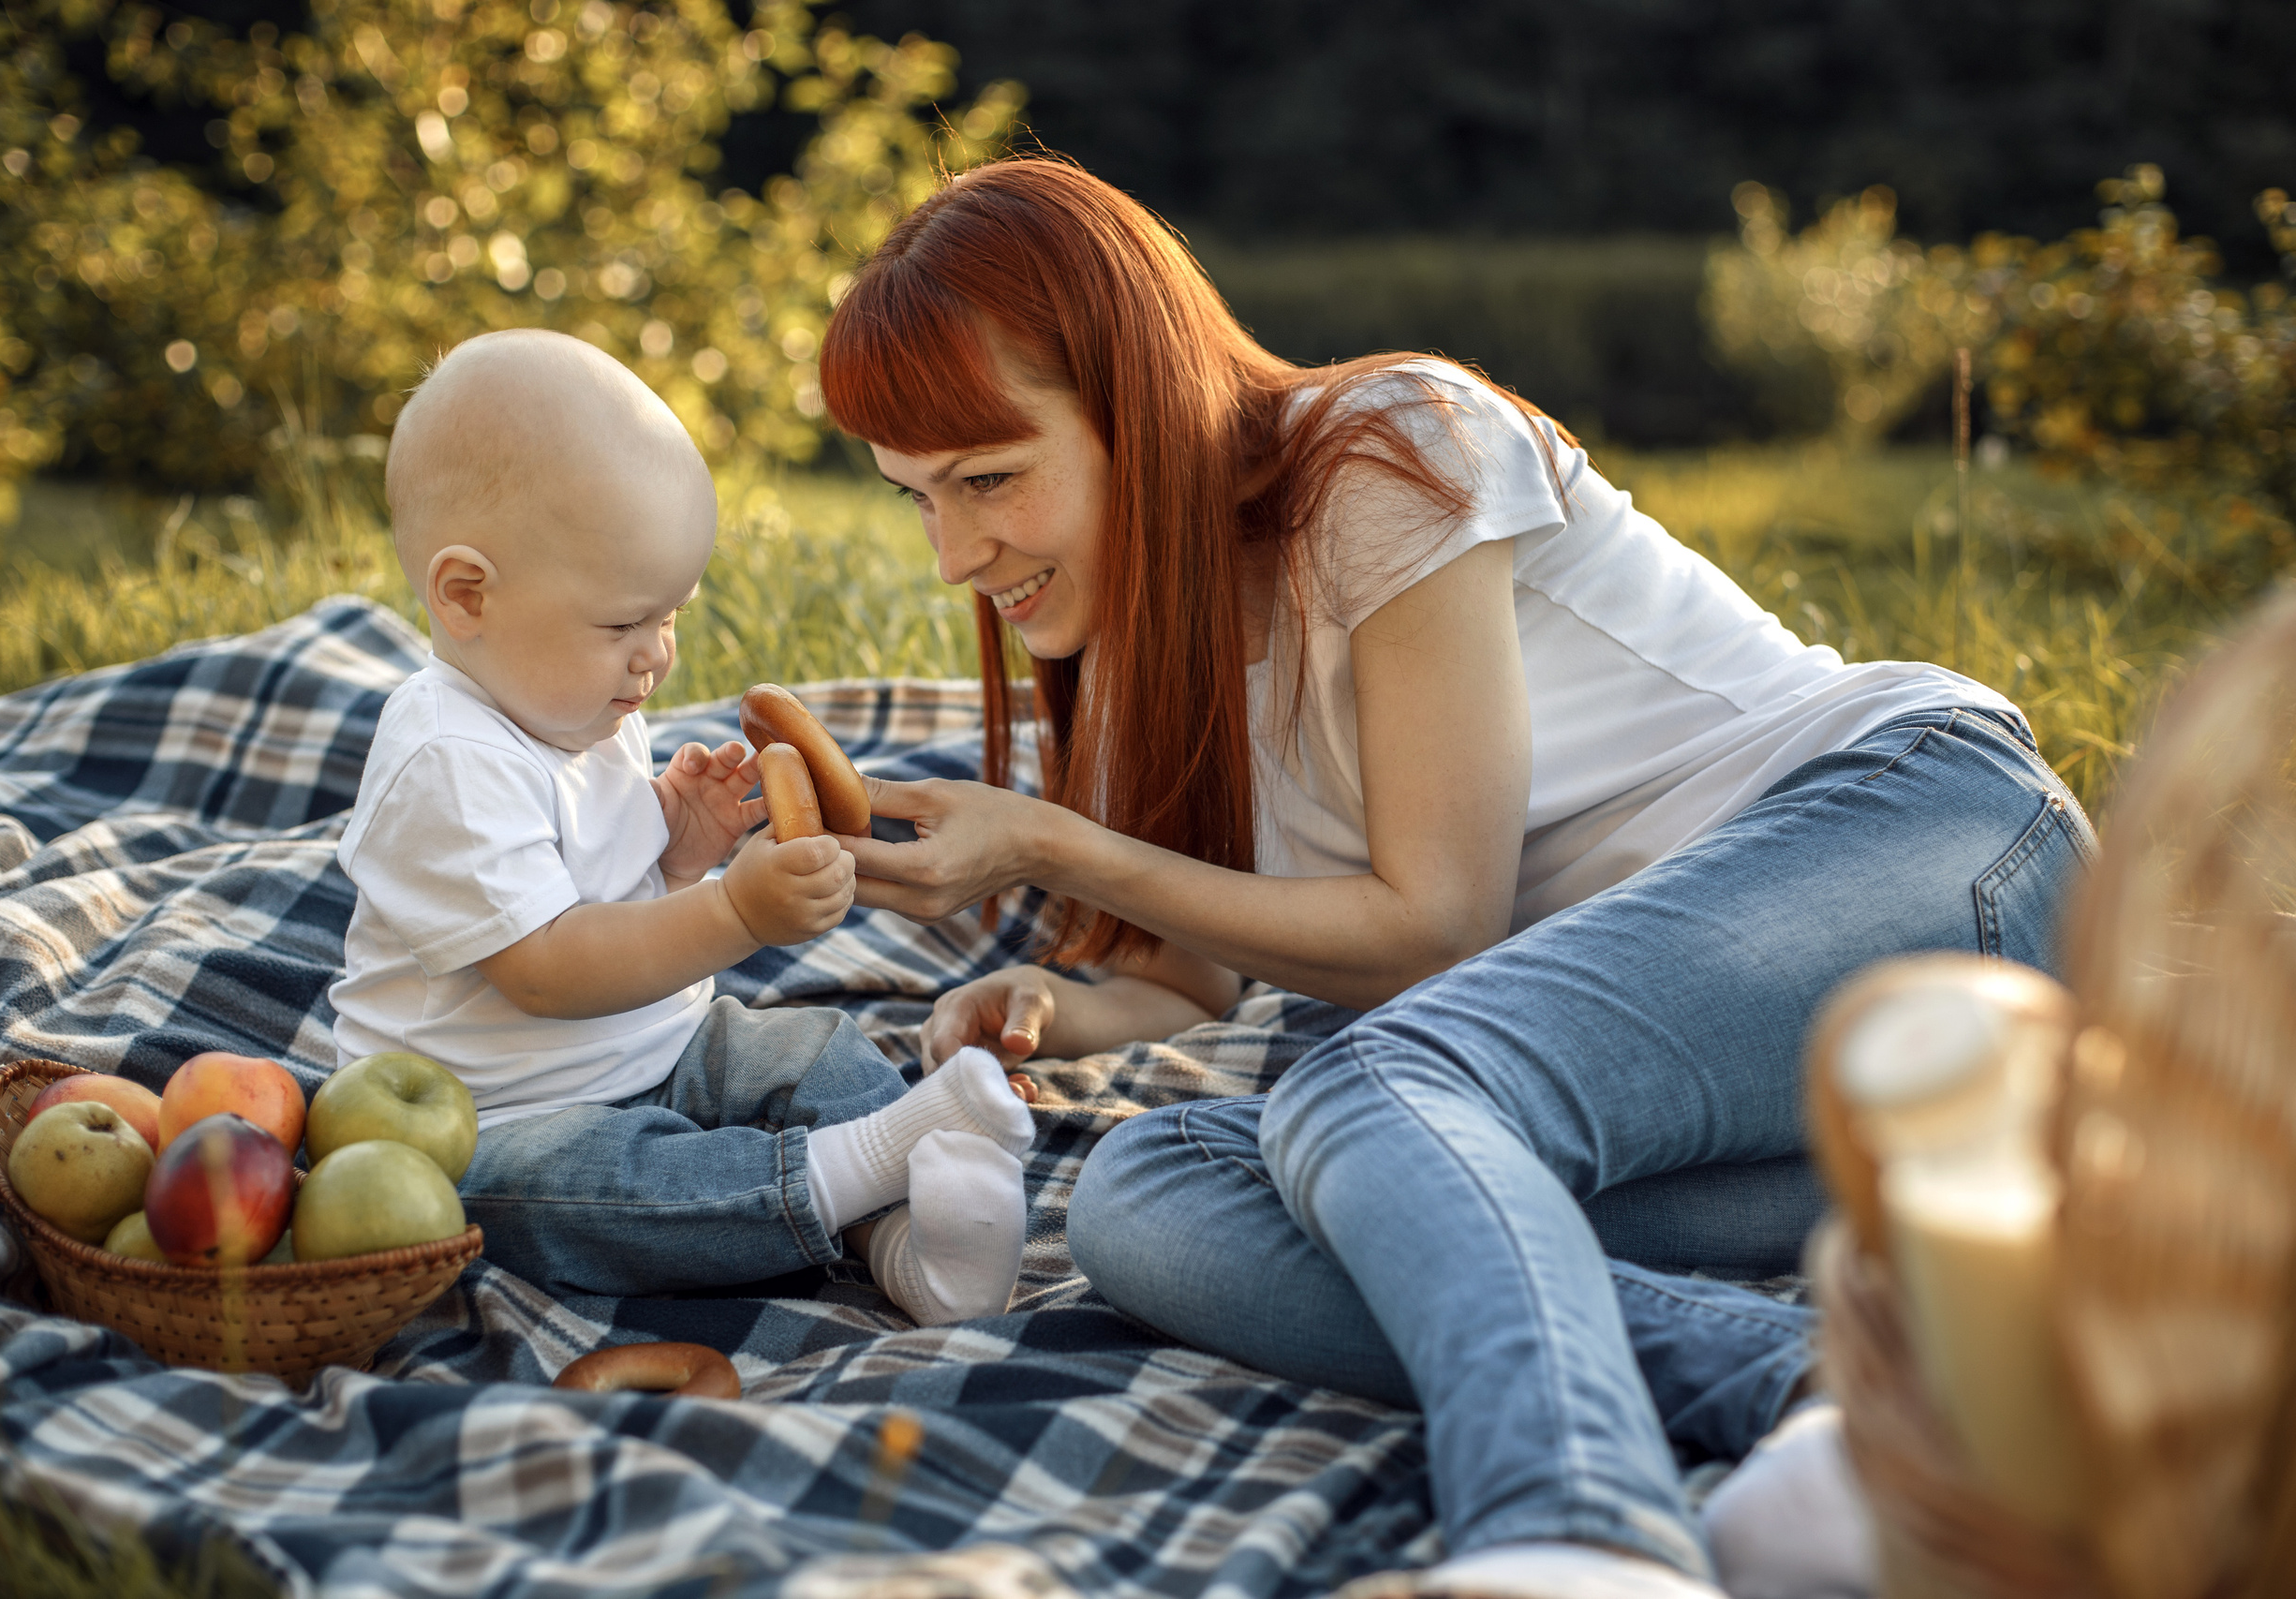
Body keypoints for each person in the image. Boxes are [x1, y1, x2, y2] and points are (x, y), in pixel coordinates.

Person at [814, 159, 2093, 1596]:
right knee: (1148, 1191)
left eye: (989, 477)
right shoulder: (1129, 646)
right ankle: (1834, 1395)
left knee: (1365, 1090)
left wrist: (1050, 839)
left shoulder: (1380, 451)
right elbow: (1191, 976)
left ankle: (1577, 1526)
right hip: (1748, 1084)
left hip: (1911, 842)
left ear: (1141, 400)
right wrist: (1042, 996)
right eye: (918, 496)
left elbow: (1434, 927)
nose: (954, 554)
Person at [327, 328, 1036, 1326]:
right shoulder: (447, 754)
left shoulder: (579, 703)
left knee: (809, 1049)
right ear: (466, 595)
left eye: (673, 617)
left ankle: (904, 1238)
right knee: (595, 1191)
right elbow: (550, 964)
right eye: (624, 624)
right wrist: (735, 914)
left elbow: (600, 877)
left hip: (663, 1049)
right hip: (491, 1117)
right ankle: (852, 1175)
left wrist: (678, 843)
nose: (655, 657)